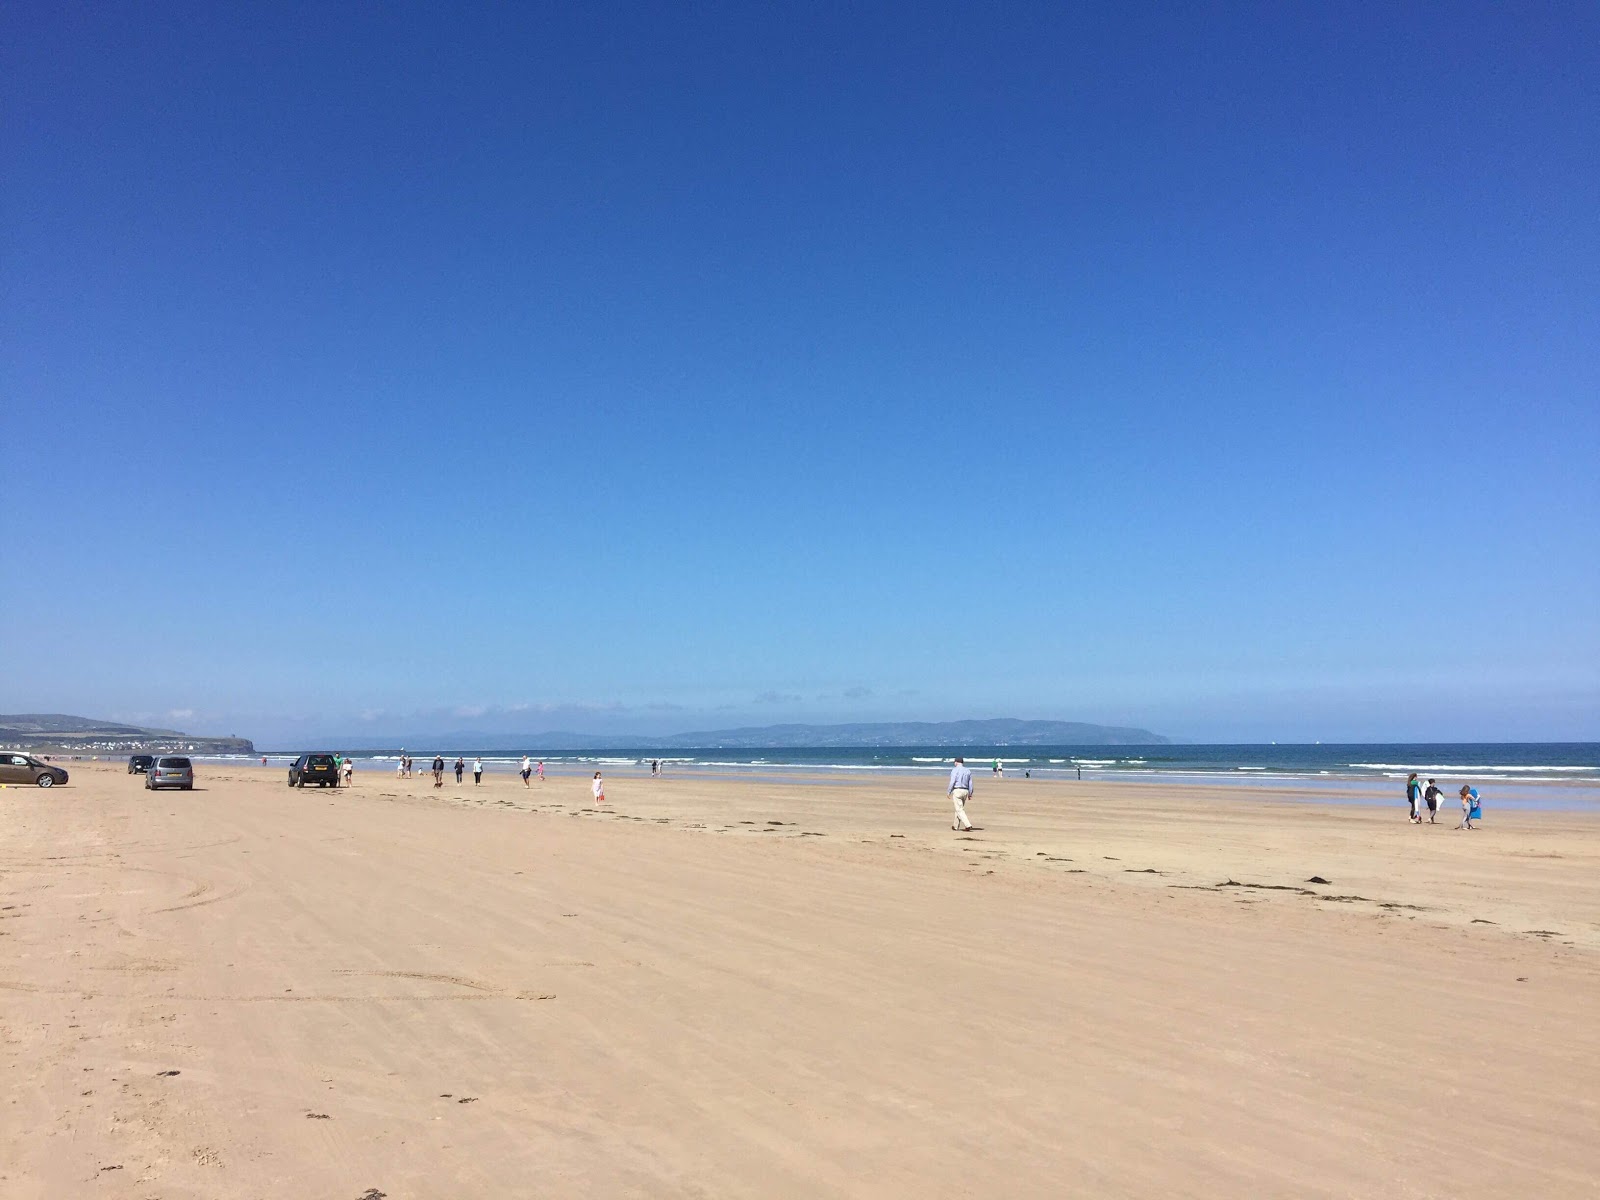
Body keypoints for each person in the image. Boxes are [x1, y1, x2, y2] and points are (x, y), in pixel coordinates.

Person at [948, 756, 974, 832]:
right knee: (959, 808)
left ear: (956, 762)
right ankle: (955, 826)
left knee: (959, 809)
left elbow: (952, 781)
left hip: (957, 790)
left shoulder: (954, 770)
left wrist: (949, 791)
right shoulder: (967, 770)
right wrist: (970, 793)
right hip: (965, 791)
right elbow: (970, 783)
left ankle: (967, 824)